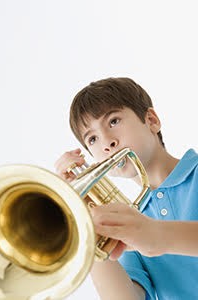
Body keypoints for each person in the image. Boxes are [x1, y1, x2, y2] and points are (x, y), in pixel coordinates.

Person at [55, 77, 198, 300]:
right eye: (92, 139)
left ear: (151, 120)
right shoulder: (131, 220)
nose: (107, 143)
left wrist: (157, 235)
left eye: (113, 121)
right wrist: (84, 223)